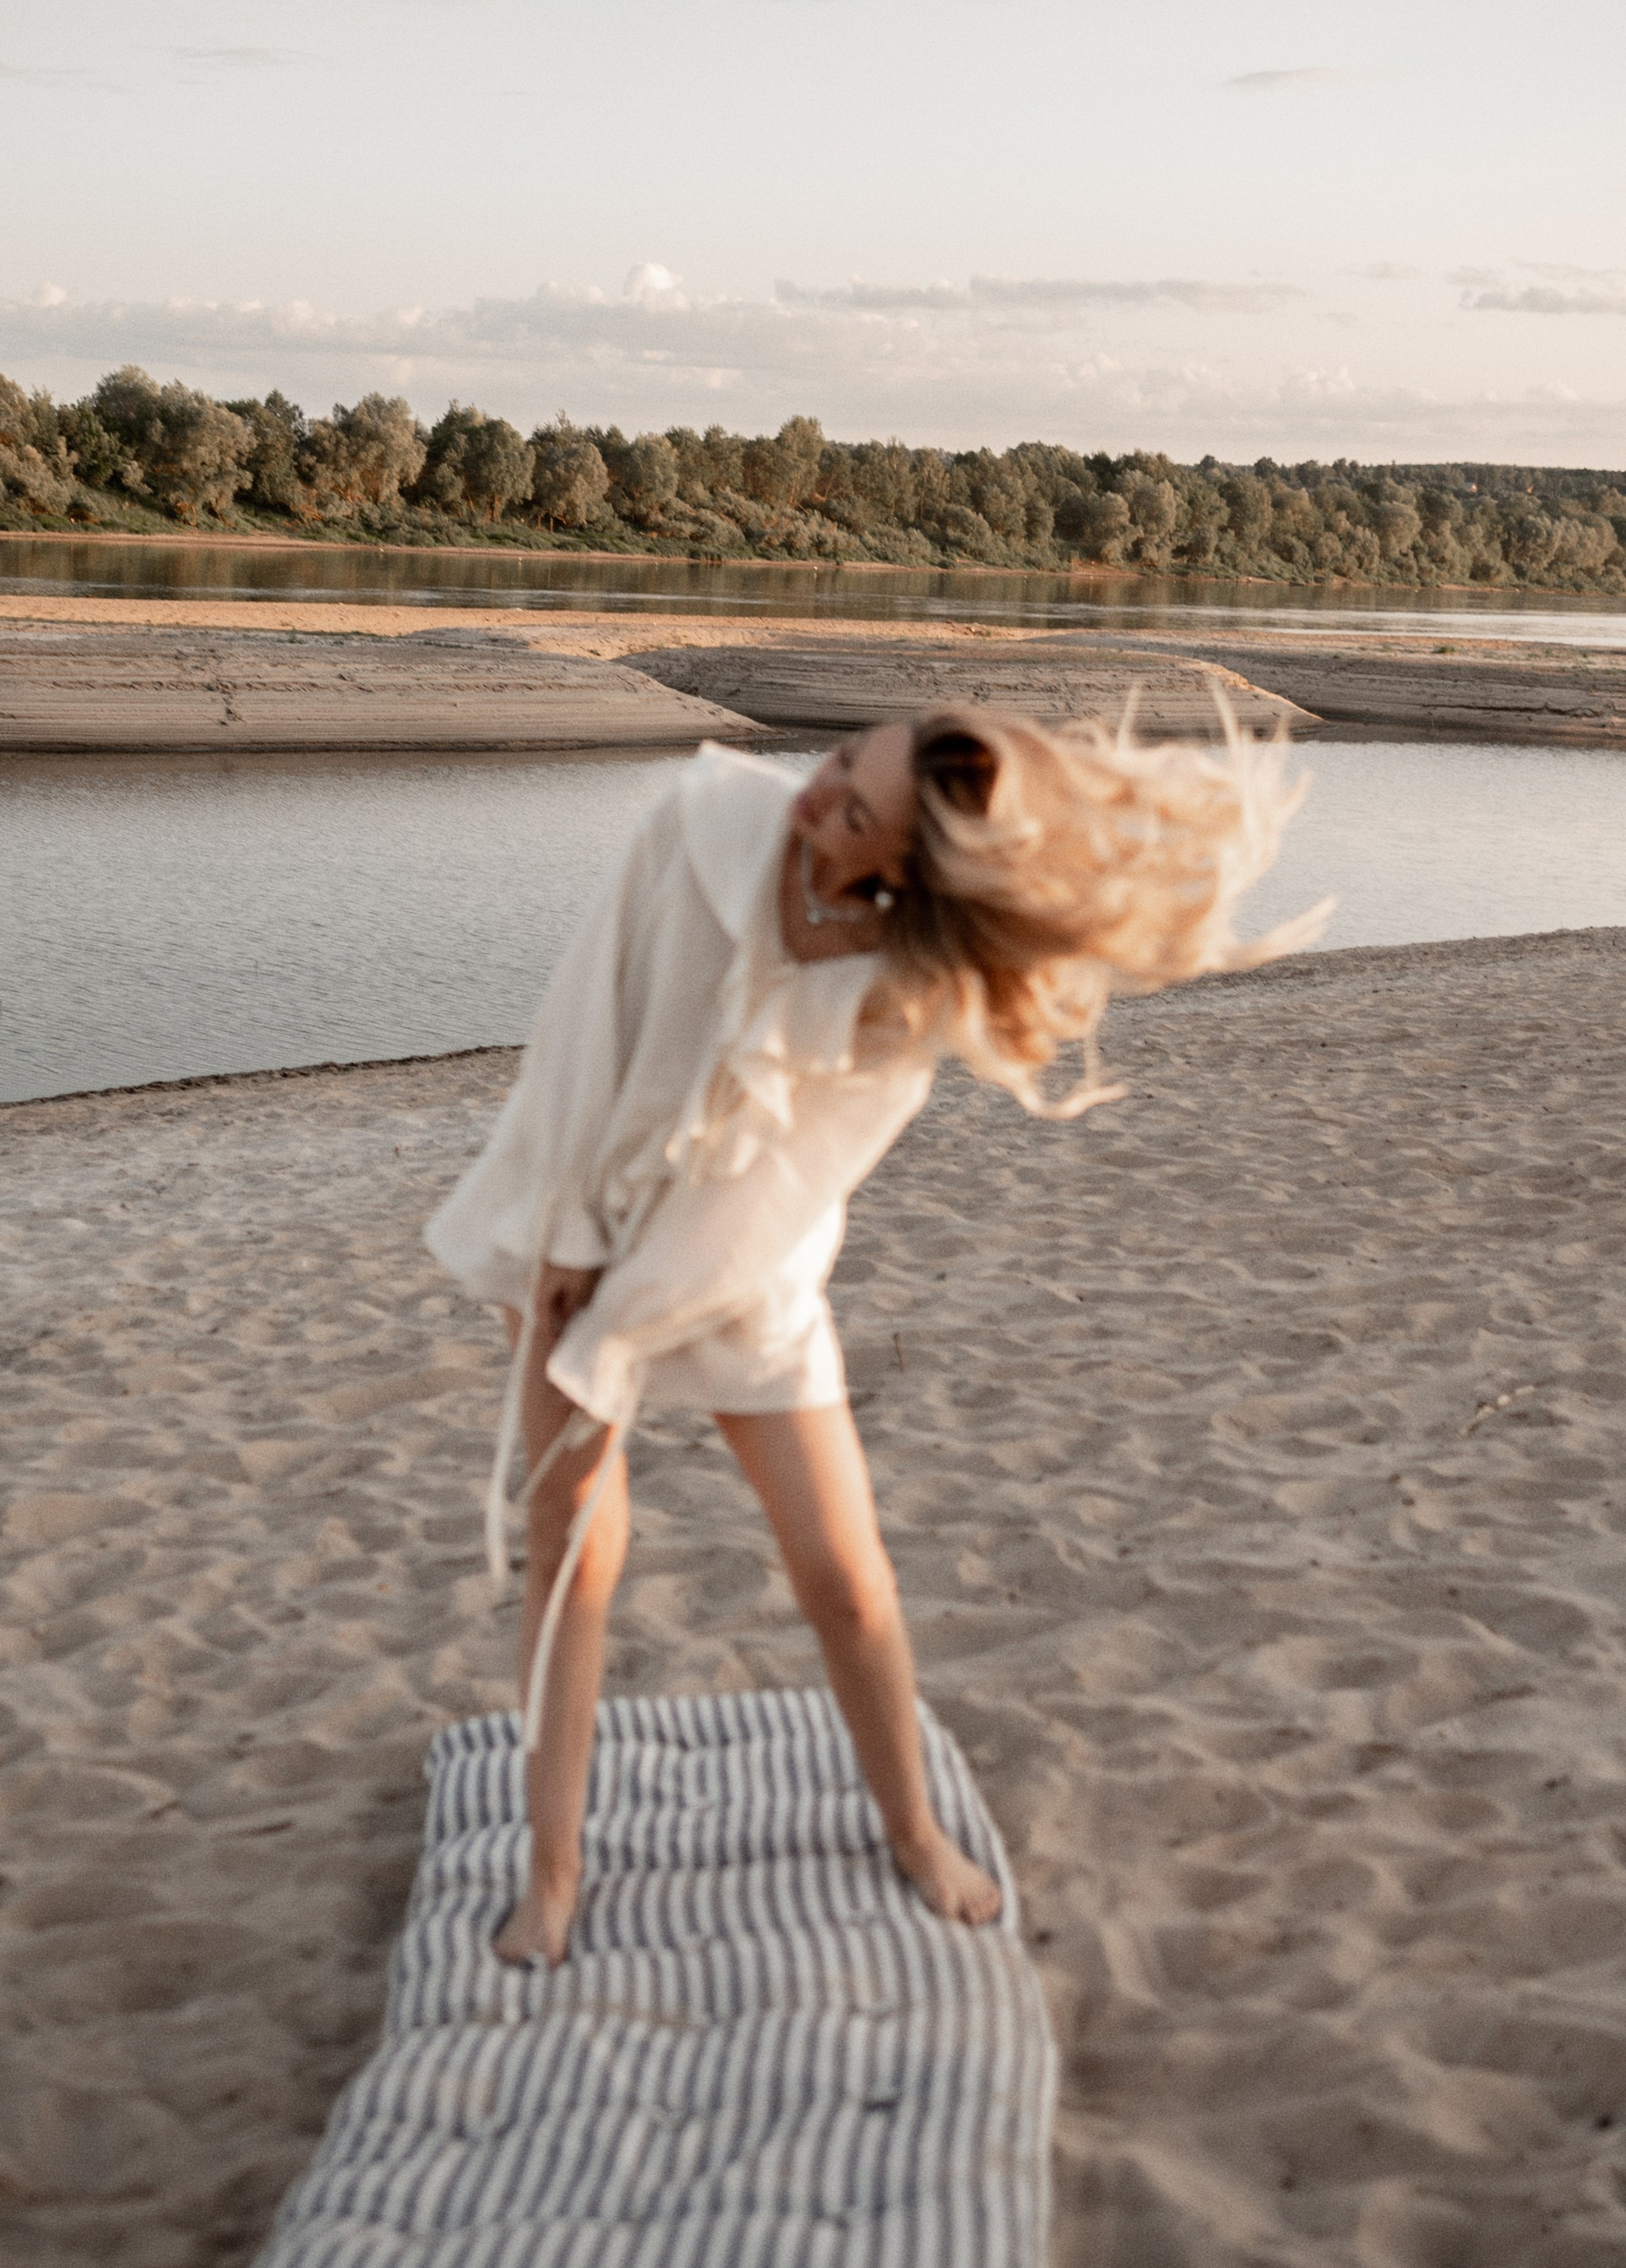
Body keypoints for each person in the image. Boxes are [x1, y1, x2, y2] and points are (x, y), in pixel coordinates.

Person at [427, 704, 1319, 1966]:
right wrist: (572, 1240)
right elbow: (581, 1030)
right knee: (576, 1546)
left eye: (856, 812)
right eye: (844, 758)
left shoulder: (909, 998)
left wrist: (621, 1334)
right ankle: (556, 1871)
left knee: (845, 1576)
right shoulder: (700, 821)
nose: (818, 796)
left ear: (908, 867)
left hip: (741, 1270)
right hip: (573, 1216)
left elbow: (773, 1200)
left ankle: (910, 1826)